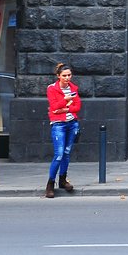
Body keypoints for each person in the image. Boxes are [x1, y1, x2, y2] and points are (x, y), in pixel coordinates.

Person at [45, 63, 81, 198]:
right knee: (59, 154)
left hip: (72, 123)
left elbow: (77, 107)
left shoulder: (73, 88)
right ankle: (50, 183)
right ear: (58, 76)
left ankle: (62, 179)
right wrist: (66, 100)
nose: (67, 78)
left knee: (66, 153)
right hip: (58, 124)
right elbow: (54, 106)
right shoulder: (52, 89)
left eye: (69, 75)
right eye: (64, 75)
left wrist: (64, 109)